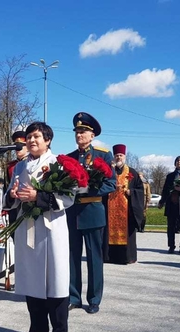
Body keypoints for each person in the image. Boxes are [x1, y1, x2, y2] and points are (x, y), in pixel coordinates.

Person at [4, 122, 74, 332]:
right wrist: (13, 195)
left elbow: (68, 197)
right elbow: (9, 195)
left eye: (36, 136)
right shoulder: (20, 167)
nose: (31, 141)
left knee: (55, 277)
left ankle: (59, 331)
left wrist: (38, 197)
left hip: (51, 227)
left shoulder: (58, 164)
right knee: (31, 276)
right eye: (29, 137)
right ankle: (37, 327)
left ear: (48, 140)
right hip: (28, 227)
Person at [66, 112, 116, 314]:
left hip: (93, 211)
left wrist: (88, 190)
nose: (79, 134)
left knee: (94, 259)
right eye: (77, 131)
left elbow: (111, 184)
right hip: (72, 213)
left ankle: (94, 299)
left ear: (92, 135)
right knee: (72, 257)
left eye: (83, 131)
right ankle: (73, 297)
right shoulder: (69, 158)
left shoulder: (103, 155)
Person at [103, 144, 145, 264]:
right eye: (116, 155)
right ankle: (109, 257)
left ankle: (127, 257)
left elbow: (140, 190)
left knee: (127, 232)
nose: (118, 158)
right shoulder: (108, 170)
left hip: (127, 210)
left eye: (121, 155)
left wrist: (131, 192)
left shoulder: (132, 172)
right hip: (110, 206)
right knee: (108, 232)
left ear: (124, 156)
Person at [6, 130, 29, 226]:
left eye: (21, 145)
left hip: (28, 205)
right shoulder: (11, 166)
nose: (18, 149)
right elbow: (7, 187)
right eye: (16, 146)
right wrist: (5, 208)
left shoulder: (32, 162)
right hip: (14, 206)